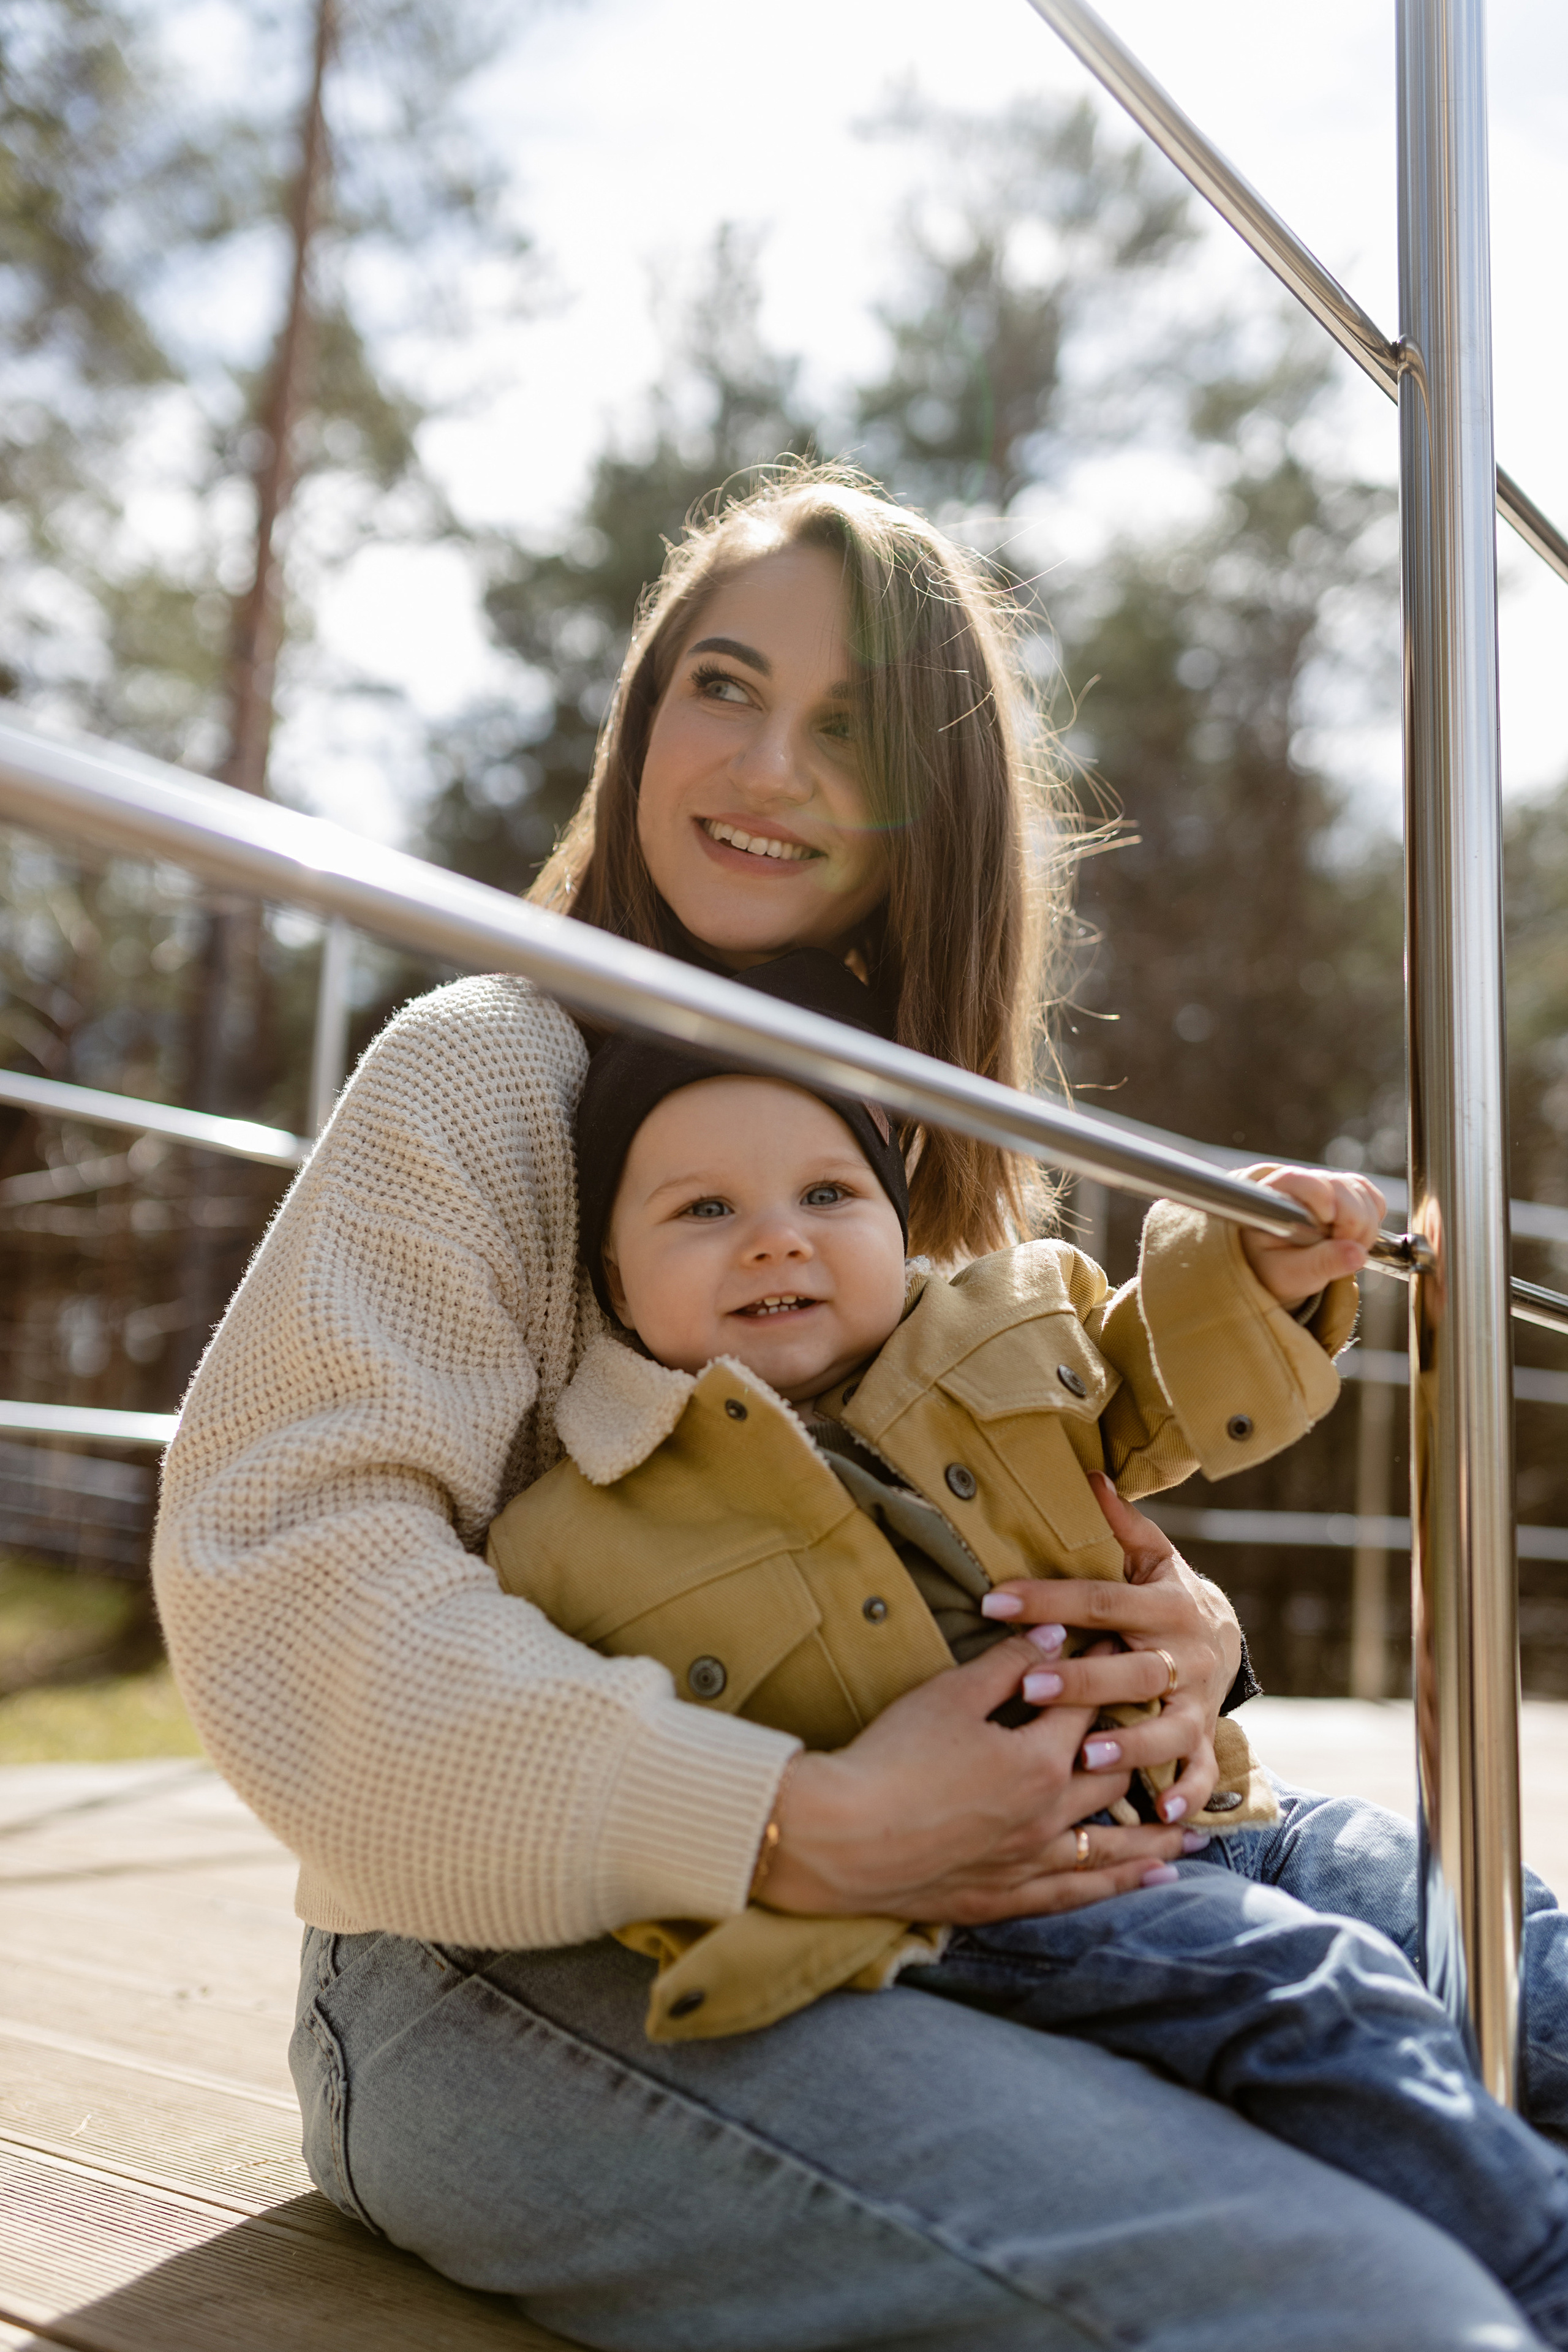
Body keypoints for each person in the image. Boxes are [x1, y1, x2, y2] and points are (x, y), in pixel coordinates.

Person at [153, 462, 1568, 2351]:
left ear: (937, 806)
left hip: (1015, 1906)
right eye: (721, 687)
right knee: (1377, 2309)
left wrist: (1177, 1652)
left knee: (1522, 1994)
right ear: (643, 720)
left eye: (852, 727)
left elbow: (1019, 1490)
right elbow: (292, 1575)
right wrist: (804, 1820)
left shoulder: (927, 1150)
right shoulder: (495, 1067)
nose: (768, 765)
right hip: (508, 1959)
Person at [482, 958, 1568, 2337]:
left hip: (1222, 1817)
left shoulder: (1001, 1331)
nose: (775, 1239)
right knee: (1310, 1993)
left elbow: (1159, 1368)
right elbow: (583, 1767)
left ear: (892, 1217)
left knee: (1458, 1914)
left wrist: (1257, 1266)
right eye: (703, 1211)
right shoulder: (580, 1525)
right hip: (997, 1900)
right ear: (616, 1288)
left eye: (828, 1194)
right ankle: (1541, 2273)